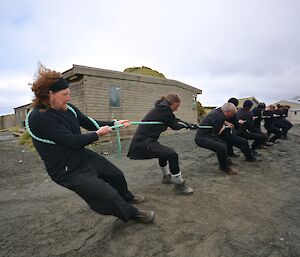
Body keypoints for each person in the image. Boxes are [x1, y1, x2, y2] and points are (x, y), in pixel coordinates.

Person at [28, 65, 154, 224]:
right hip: (66, 169)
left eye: (69, 93)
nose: (69, 98)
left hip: (81, 156)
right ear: (50, 94)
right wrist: (97, 135)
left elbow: (88, 122)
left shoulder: (67, 108)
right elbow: (71, 141)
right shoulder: (40, 118)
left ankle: (127, 197)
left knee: (116, 175)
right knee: (106, 195)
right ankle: (132, 214)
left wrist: (115, 123)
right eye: (65, 94)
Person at [127, 94, 194, 195]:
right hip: (142, 143)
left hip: (146, 140)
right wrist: (189, 126)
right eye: (175, 107)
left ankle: (167, 177)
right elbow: (175, 125)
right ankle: (179, 185)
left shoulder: (162, 108)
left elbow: (174, 120)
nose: (175, 110)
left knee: (163, 153)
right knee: (172, 155)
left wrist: (189, 125)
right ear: (171, 104)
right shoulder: (164, 111)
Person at [195, 103, 239, 174]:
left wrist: (224, 124)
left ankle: (225, 161)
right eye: (232, 114)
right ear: (227, 112)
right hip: (202, 138)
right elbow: (216, 133)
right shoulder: (219, 117)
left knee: (224, 143)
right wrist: (224, 127)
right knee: (221, 147)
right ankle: (224, 168)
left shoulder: (218, 111)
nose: (232, 116)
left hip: (208, 135)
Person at [218, 98, 261, 162]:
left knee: (228, 142)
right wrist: (239, 122)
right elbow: (237, 126)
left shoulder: (220, 110)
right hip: (223, 133)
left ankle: (230, 154)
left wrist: (226, 122)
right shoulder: (233, 112)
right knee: (243, 142)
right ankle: (250, 158)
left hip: (222, 133)